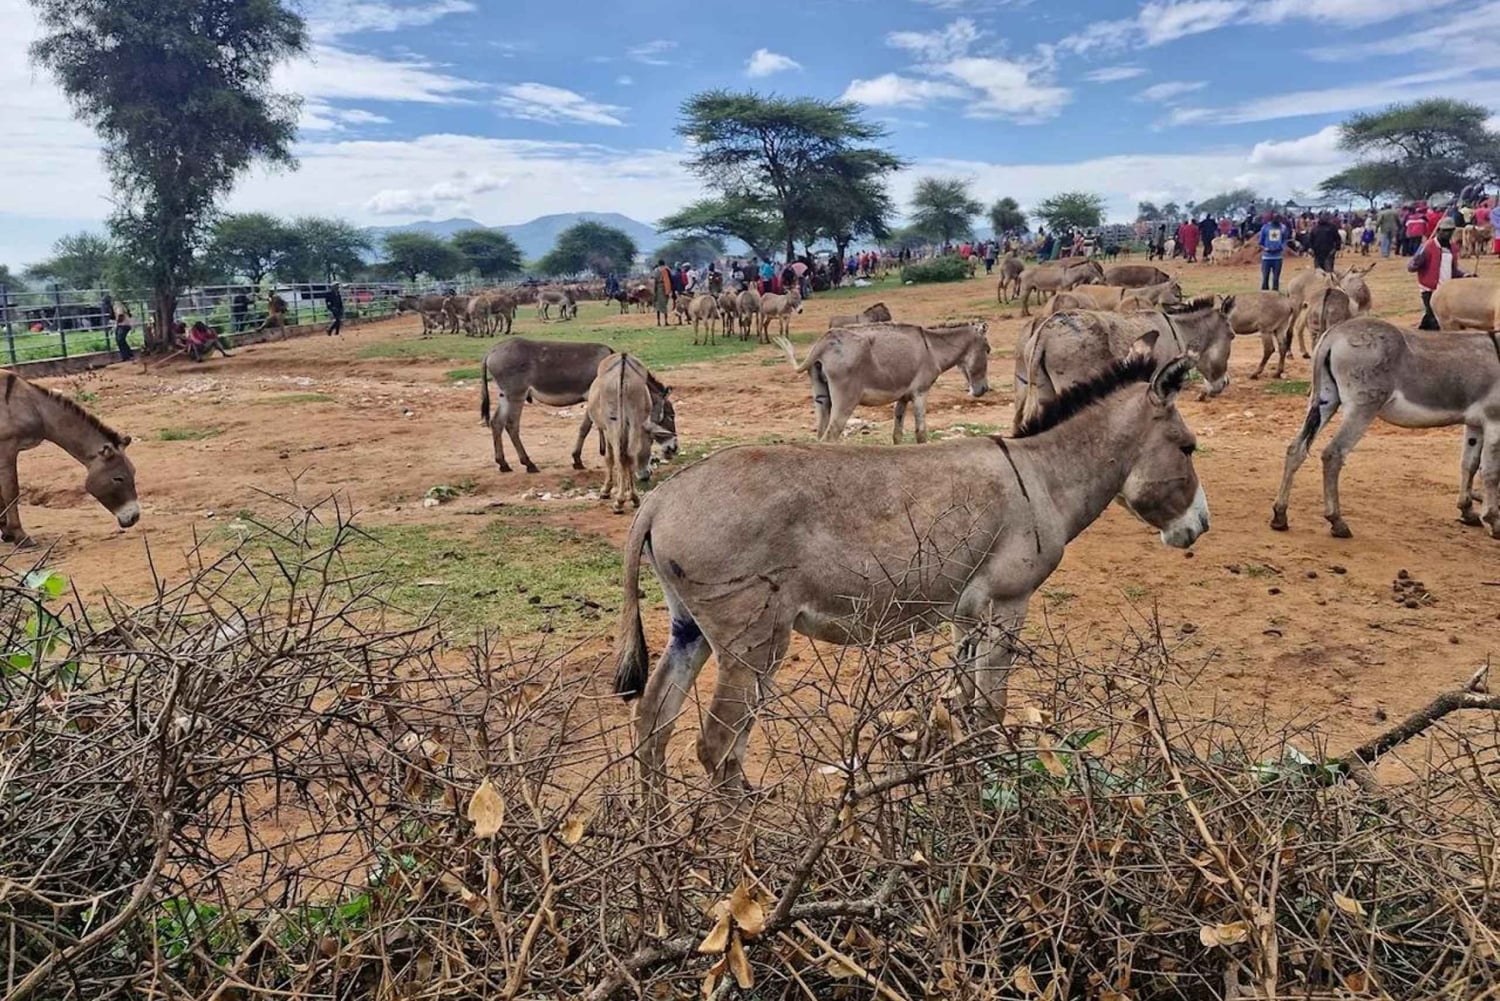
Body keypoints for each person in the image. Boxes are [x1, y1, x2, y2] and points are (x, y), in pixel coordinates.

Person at [1409, 216, 1468, 330]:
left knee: (1440, 317)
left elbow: (1453, 270)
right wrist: (1416, 261)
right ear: (1438, 231)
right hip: (1429, 289)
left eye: (1450, 231)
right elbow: (1411, 268)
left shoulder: (1453, 248)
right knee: (1434, 318)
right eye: (1444, 231)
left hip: (1446, 290)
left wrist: (1465, 274)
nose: (1447, 234)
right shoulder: (1428, 246)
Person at [1257, 213, 1289, 291]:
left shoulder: (1283, 228)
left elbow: (1284, 240)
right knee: (1265, 278)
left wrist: (1281, 247)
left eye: (1279, 219)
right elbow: (1260, 243)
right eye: (1276, 218)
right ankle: (1264, 295)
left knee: (1276, 279)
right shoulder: (1265, 228)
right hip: (1266, 257)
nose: (1277, 220)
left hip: (1278, 257)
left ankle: (1275, 295)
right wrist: (1265, 249)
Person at [652, 259, 673, 327]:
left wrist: (655, 290)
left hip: (659, 287)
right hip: (666, 287)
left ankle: (658, 322)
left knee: (658, 305)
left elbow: (655, 280)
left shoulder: (656, 270)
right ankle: (666, 321)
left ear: (658, 264)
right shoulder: (667, 269)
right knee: (665, 305)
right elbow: (671, 279)